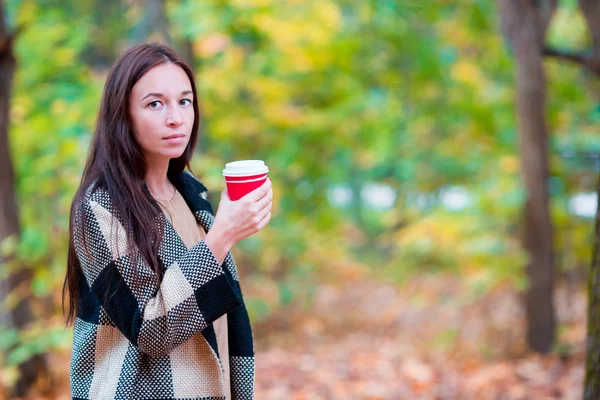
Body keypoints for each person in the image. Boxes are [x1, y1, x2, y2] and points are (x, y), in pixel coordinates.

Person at [62, 43, 272, 400]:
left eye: (184, 101)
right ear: (122, 115)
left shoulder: (191, 194)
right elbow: (151, 330)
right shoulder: (99, 208)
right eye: (155, 103)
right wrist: (222, 236)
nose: (176, 117)